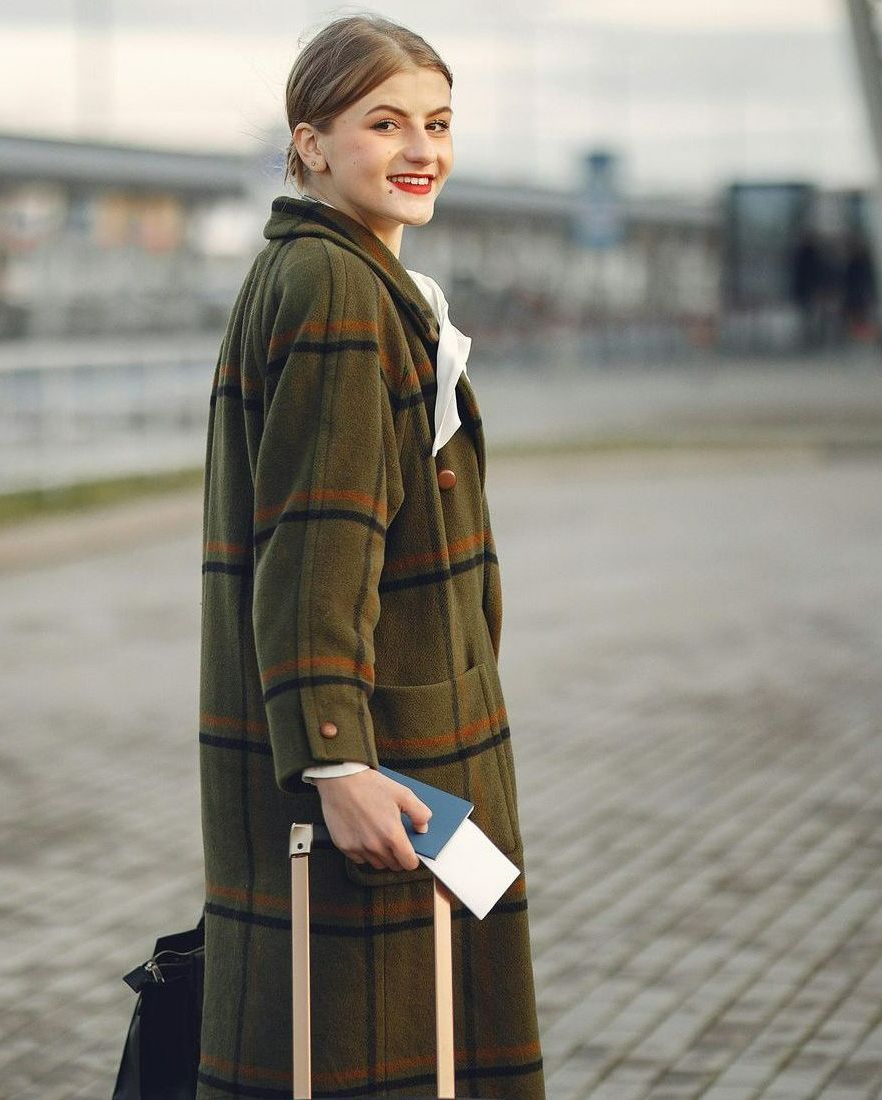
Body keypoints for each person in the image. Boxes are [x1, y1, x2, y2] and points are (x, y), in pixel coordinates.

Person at [197, 14, 546, 1099]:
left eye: (437, 124)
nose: (420, 150)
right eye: (383, 122)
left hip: (400, 741)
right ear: (310, 142)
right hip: (382, 758)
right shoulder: (340, 290)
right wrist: (337, 759)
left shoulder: (342, 276)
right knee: (372, 1056)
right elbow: (315, 543)